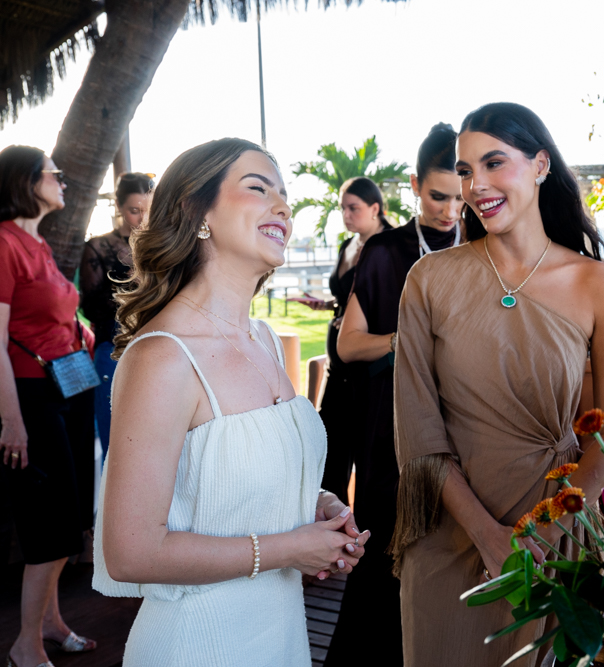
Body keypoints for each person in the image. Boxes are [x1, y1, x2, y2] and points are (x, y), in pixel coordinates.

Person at [91, 138, 371, 666]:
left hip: (281, 635)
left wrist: (317, 506)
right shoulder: (164, 358)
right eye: (258, 188)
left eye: (284, 194)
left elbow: (228, 482)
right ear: (197, 213)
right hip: (200, 643)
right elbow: (130, 552)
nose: (284, 207)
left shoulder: (263, 339)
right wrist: (289, 549)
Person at [390, 103, 604, 666]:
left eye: (495, 163)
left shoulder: (598, 284)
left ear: (541, 164)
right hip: (450, 533)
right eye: (466, 171)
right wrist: (488, 537)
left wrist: (545, 535)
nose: (476, 185)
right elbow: (418, 432)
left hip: (559, 529)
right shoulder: (428, 280)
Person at [326, 123, 464, 667]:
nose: (450, 210)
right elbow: (348, 346)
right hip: (390, 424)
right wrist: (404, 339)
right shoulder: (385, 250)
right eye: (437, 196)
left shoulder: (483, 245)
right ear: (413, 185)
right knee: (388, 550)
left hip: (464, 421)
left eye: (459, 196)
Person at [0, 146, 98, 667]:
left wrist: (76, 326)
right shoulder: (3, 243)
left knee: (70, 518)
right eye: (52, 174)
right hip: (33, 399)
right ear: (25, 180)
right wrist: (12, 423)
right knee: (50, 527)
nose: (62, 180)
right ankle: (25, 644)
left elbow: (44, 312)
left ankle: (53, 624)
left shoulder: (35, 242)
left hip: (69, 388)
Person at [306, 176, 392, 503]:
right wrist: (326, 304)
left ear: (375, 208)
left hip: (369, 369)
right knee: (331, 448)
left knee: (367, 455)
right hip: (337, 366)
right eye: (343, 208)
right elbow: (349, 298)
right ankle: (333, 521)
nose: (346, 215)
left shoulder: (389, 249)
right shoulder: (348, 245)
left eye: (353, 208)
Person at [80, 172, 155, 464]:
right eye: (134, 211)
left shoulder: (165, 249)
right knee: (114, 444)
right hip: (111, 349)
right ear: (120, 208)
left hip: (159, 348)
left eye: (148, 210)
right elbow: (91, 309)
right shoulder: (98, 248)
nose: (141, 218)